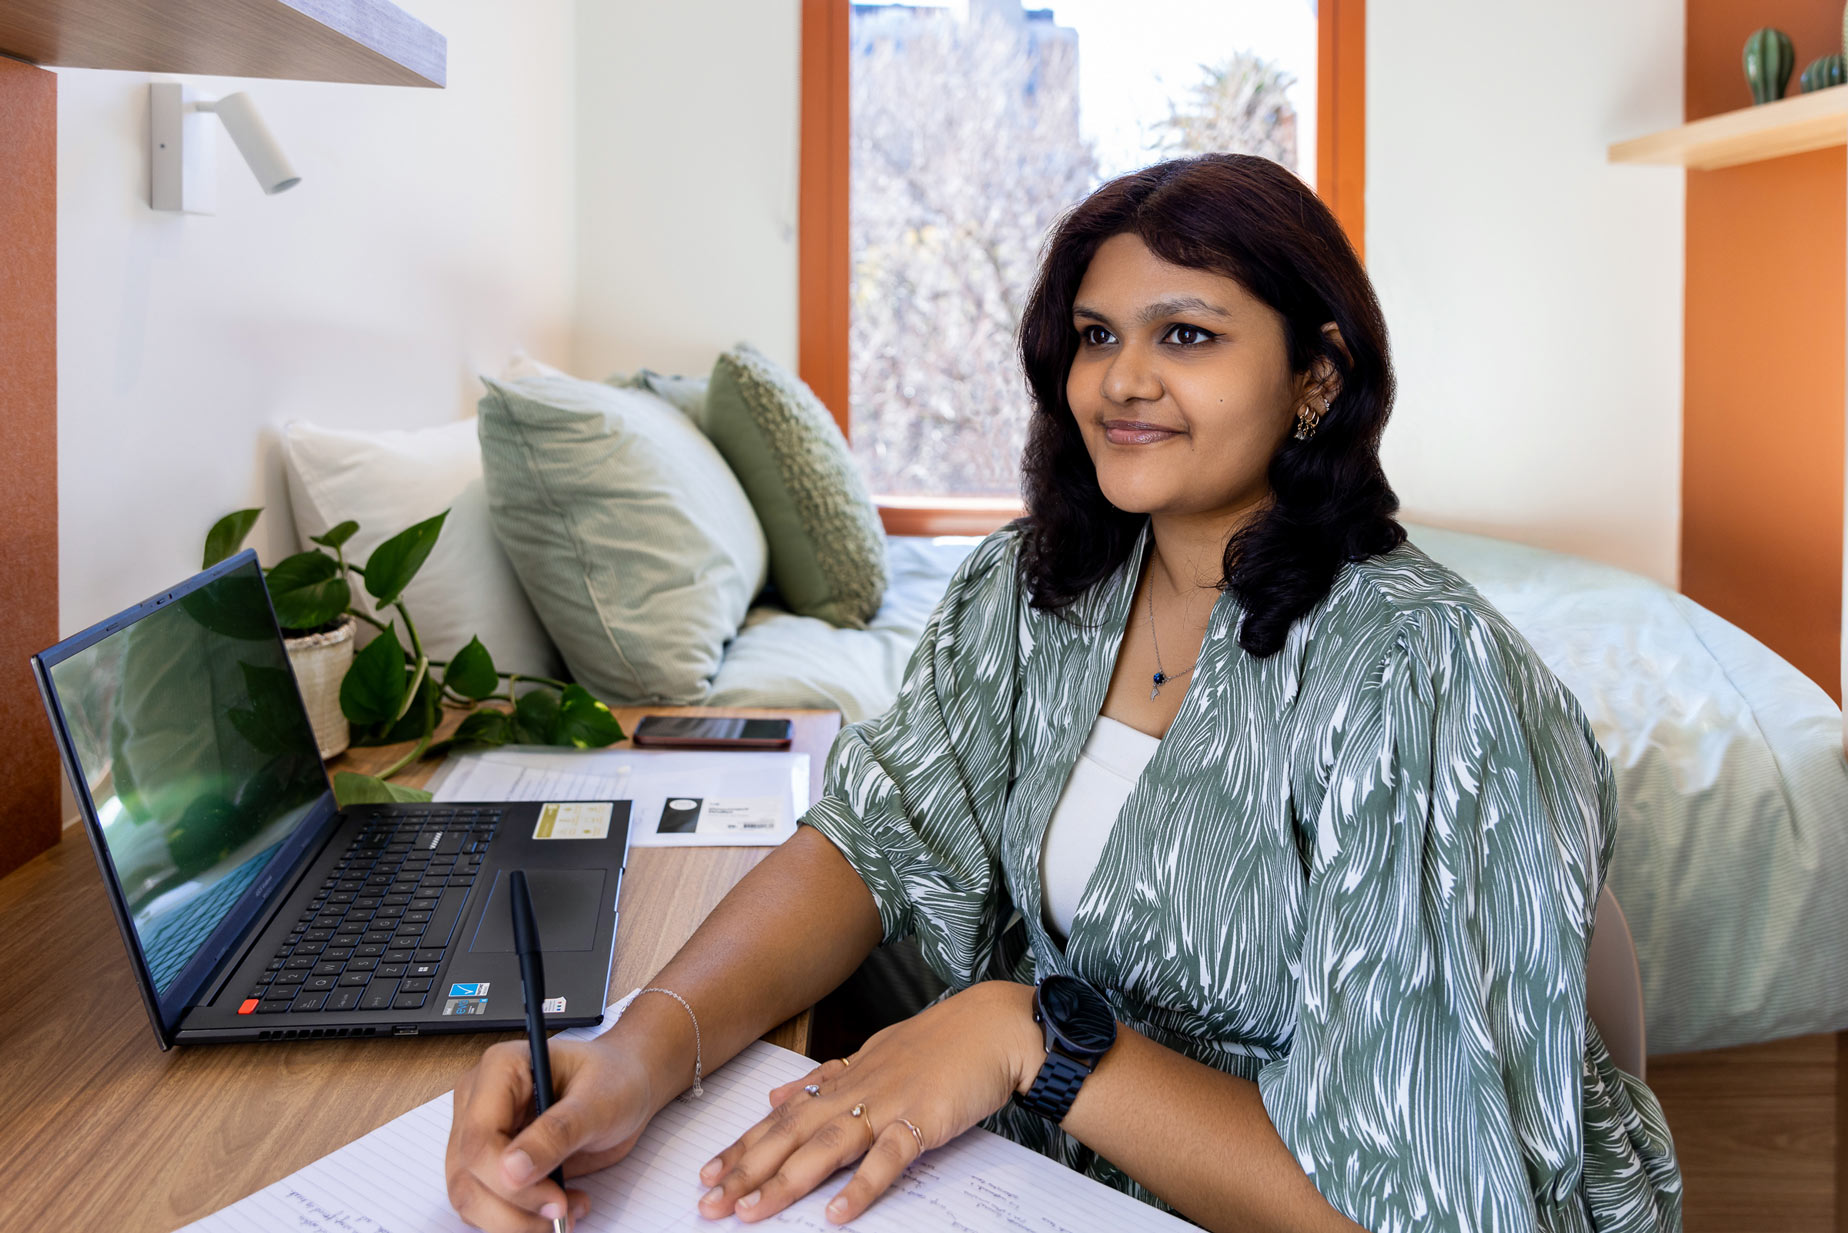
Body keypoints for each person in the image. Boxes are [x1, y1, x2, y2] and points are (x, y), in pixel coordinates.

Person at [444, 153, 1683, 1233]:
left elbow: (1413, 1209)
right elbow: (875, 840)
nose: (1121, 382)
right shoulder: (1031, 587)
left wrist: (1025, 1034)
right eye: (1097, 335)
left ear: (1317, 376)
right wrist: (637, 1052)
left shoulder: (1420, 676)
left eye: (1185, 335)